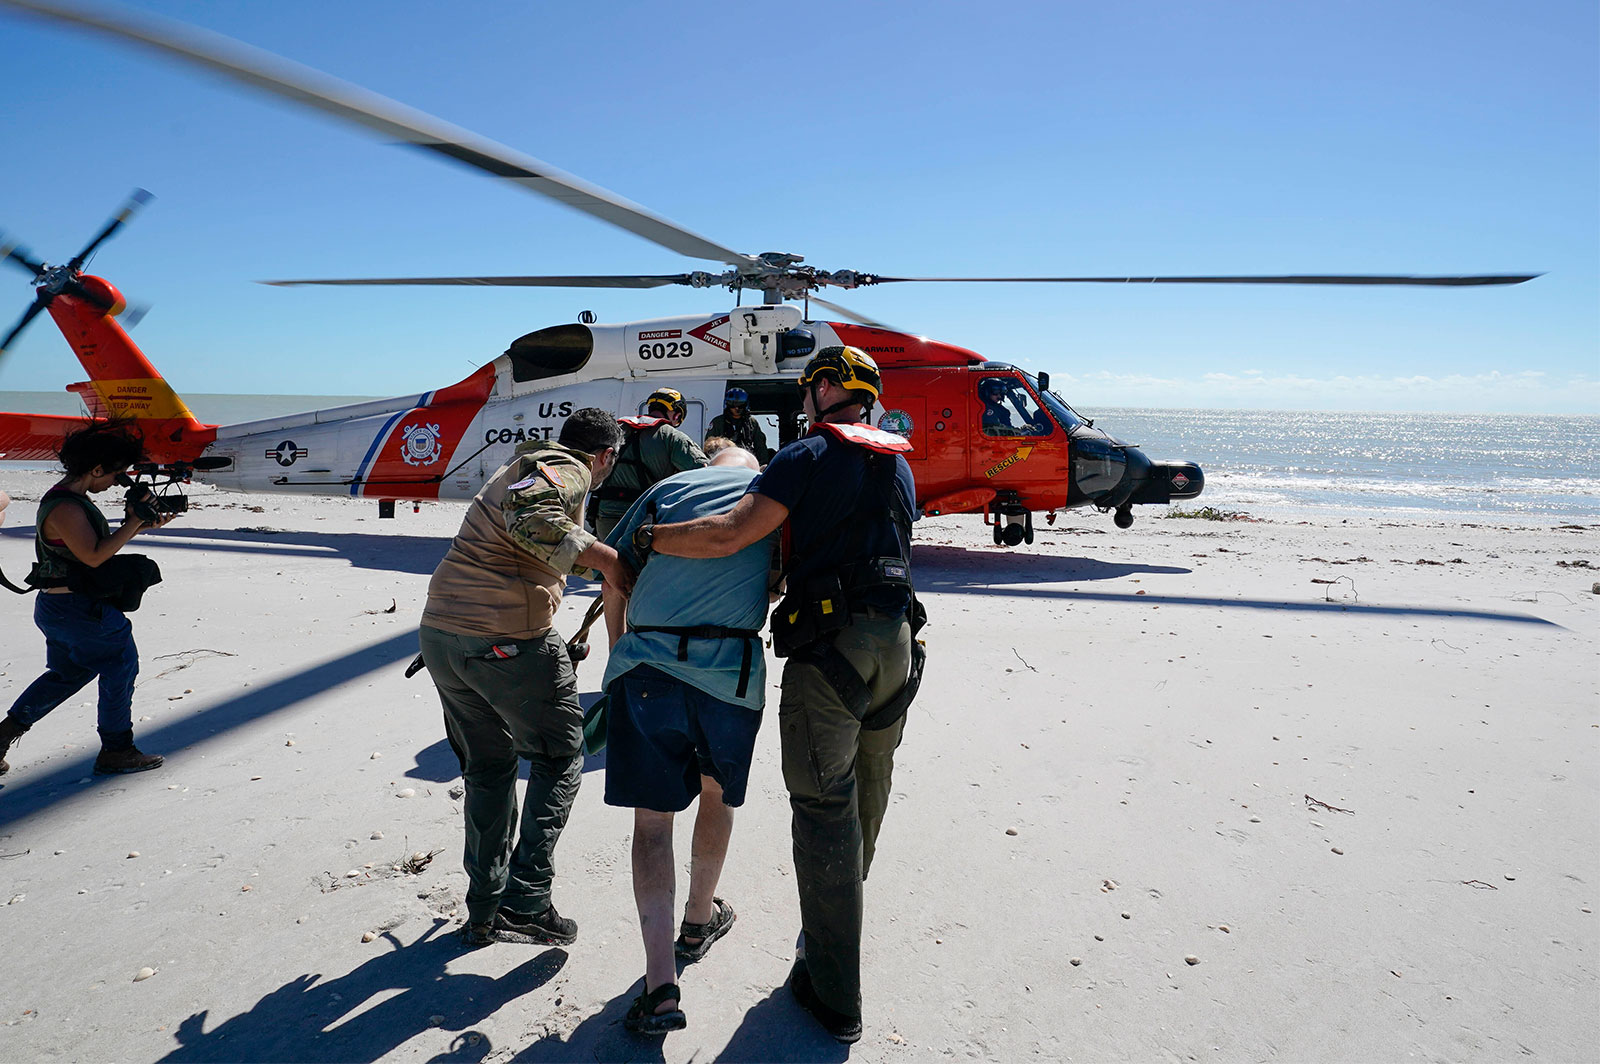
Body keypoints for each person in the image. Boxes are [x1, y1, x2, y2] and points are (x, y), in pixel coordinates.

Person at [636, 346, 924, 1044]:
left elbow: (735, 532)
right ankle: (820, 941)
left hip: (833, 654)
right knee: (865, 802)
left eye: (808, 390)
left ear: (825, 389)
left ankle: (833, 996)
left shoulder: (807, 455)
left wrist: (655, 536)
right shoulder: (900, 462)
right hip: (899, 647)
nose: (804, 403)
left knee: (823, 811)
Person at [417, 407, 632, 948]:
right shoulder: (570, 467)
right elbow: (534, 519)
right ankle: (528, 900)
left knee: (489, 767)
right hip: (505, 640)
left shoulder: (518, 466)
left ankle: (484, 909)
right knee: (562, 754)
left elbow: (529, 538)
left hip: (442, 635)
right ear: (604, 455)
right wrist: (612, 562)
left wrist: (585, 563)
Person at [597, 446, 776, 1034]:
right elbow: (777, 583)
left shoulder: (666, 491)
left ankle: (660, 984)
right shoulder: (772, 495)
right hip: (731, 675)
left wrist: (619, 651)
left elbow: (615, 576)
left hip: (647, 667)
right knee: (715, 796)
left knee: (652, 823)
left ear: (709, 462)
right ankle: (698, 919)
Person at [0, 424, 176, 777]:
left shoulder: (71, 501)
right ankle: (117, 748)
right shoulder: (65, 507)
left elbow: (84, 554)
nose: (115, 481)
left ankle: (3, 736)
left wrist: (137, 524)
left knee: (67, 674)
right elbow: (94, 557)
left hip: (61, 608)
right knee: (120, 664)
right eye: (114, 474)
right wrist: (132, 525)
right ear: (96, 469)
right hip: (78, 609)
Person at [591, 387, 707, 541]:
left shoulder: (616, 429)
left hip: (605, 515)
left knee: (607, 561)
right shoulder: (672, 437)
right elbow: (704, 471)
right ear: (677, 414)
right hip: (643, 516)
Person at [707, 387, 772, 464]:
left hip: (746, 461)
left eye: (741, 405)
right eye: (732, 405)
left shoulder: (751, 422)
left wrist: (762, 464)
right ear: (727, 405)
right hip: (724, 462)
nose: (737, 408)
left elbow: (760, 445)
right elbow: (709, 445)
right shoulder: (718, 422)